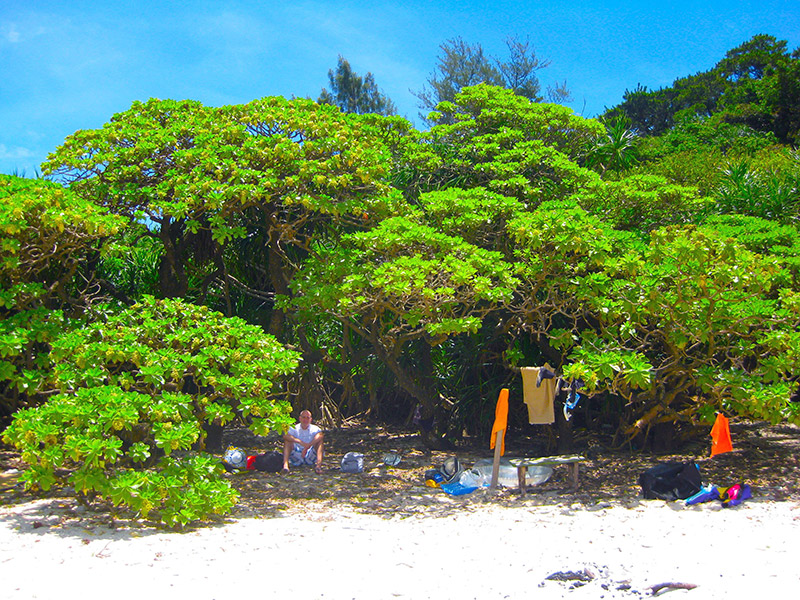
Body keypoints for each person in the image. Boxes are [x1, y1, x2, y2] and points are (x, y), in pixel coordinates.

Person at [282, 409, 324, 474]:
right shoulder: (294, 428)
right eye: (303, 417)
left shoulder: (315, 428)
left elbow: (320, 435)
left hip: (310, 455)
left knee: (319, 442)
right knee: (288, 442)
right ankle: (285, 466)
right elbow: (285, 436)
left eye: (308, 418)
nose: (305, 420)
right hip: (297, 454)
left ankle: (318, 466)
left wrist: (308, 446)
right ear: (300, 418)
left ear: (311, 419)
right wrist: (300, 442)